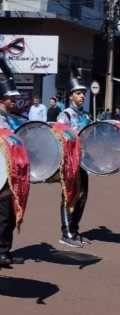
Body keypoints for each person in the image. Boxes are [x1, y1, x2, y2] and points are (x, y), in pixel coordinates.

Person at [0, 62, 27, 268]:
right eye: (11, 98)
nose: (14, 101)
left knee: (11, 213)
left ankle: (6, 250)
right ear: (2, 99)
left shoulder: (14, 119)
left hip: (14, 173)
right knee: (2, 214)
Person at [56, 65, 92, 248]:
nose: (82, 96)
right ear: (70, 95)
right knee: (69, 196)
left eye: (83, 93)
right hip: (70, 162)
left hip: (84, 163)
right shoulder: (65, 115)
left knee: (83, 196)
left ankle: (75, 230)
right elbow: (62, 137)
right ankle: (66, 233)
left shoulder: (86, 115)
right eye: (78, 93)